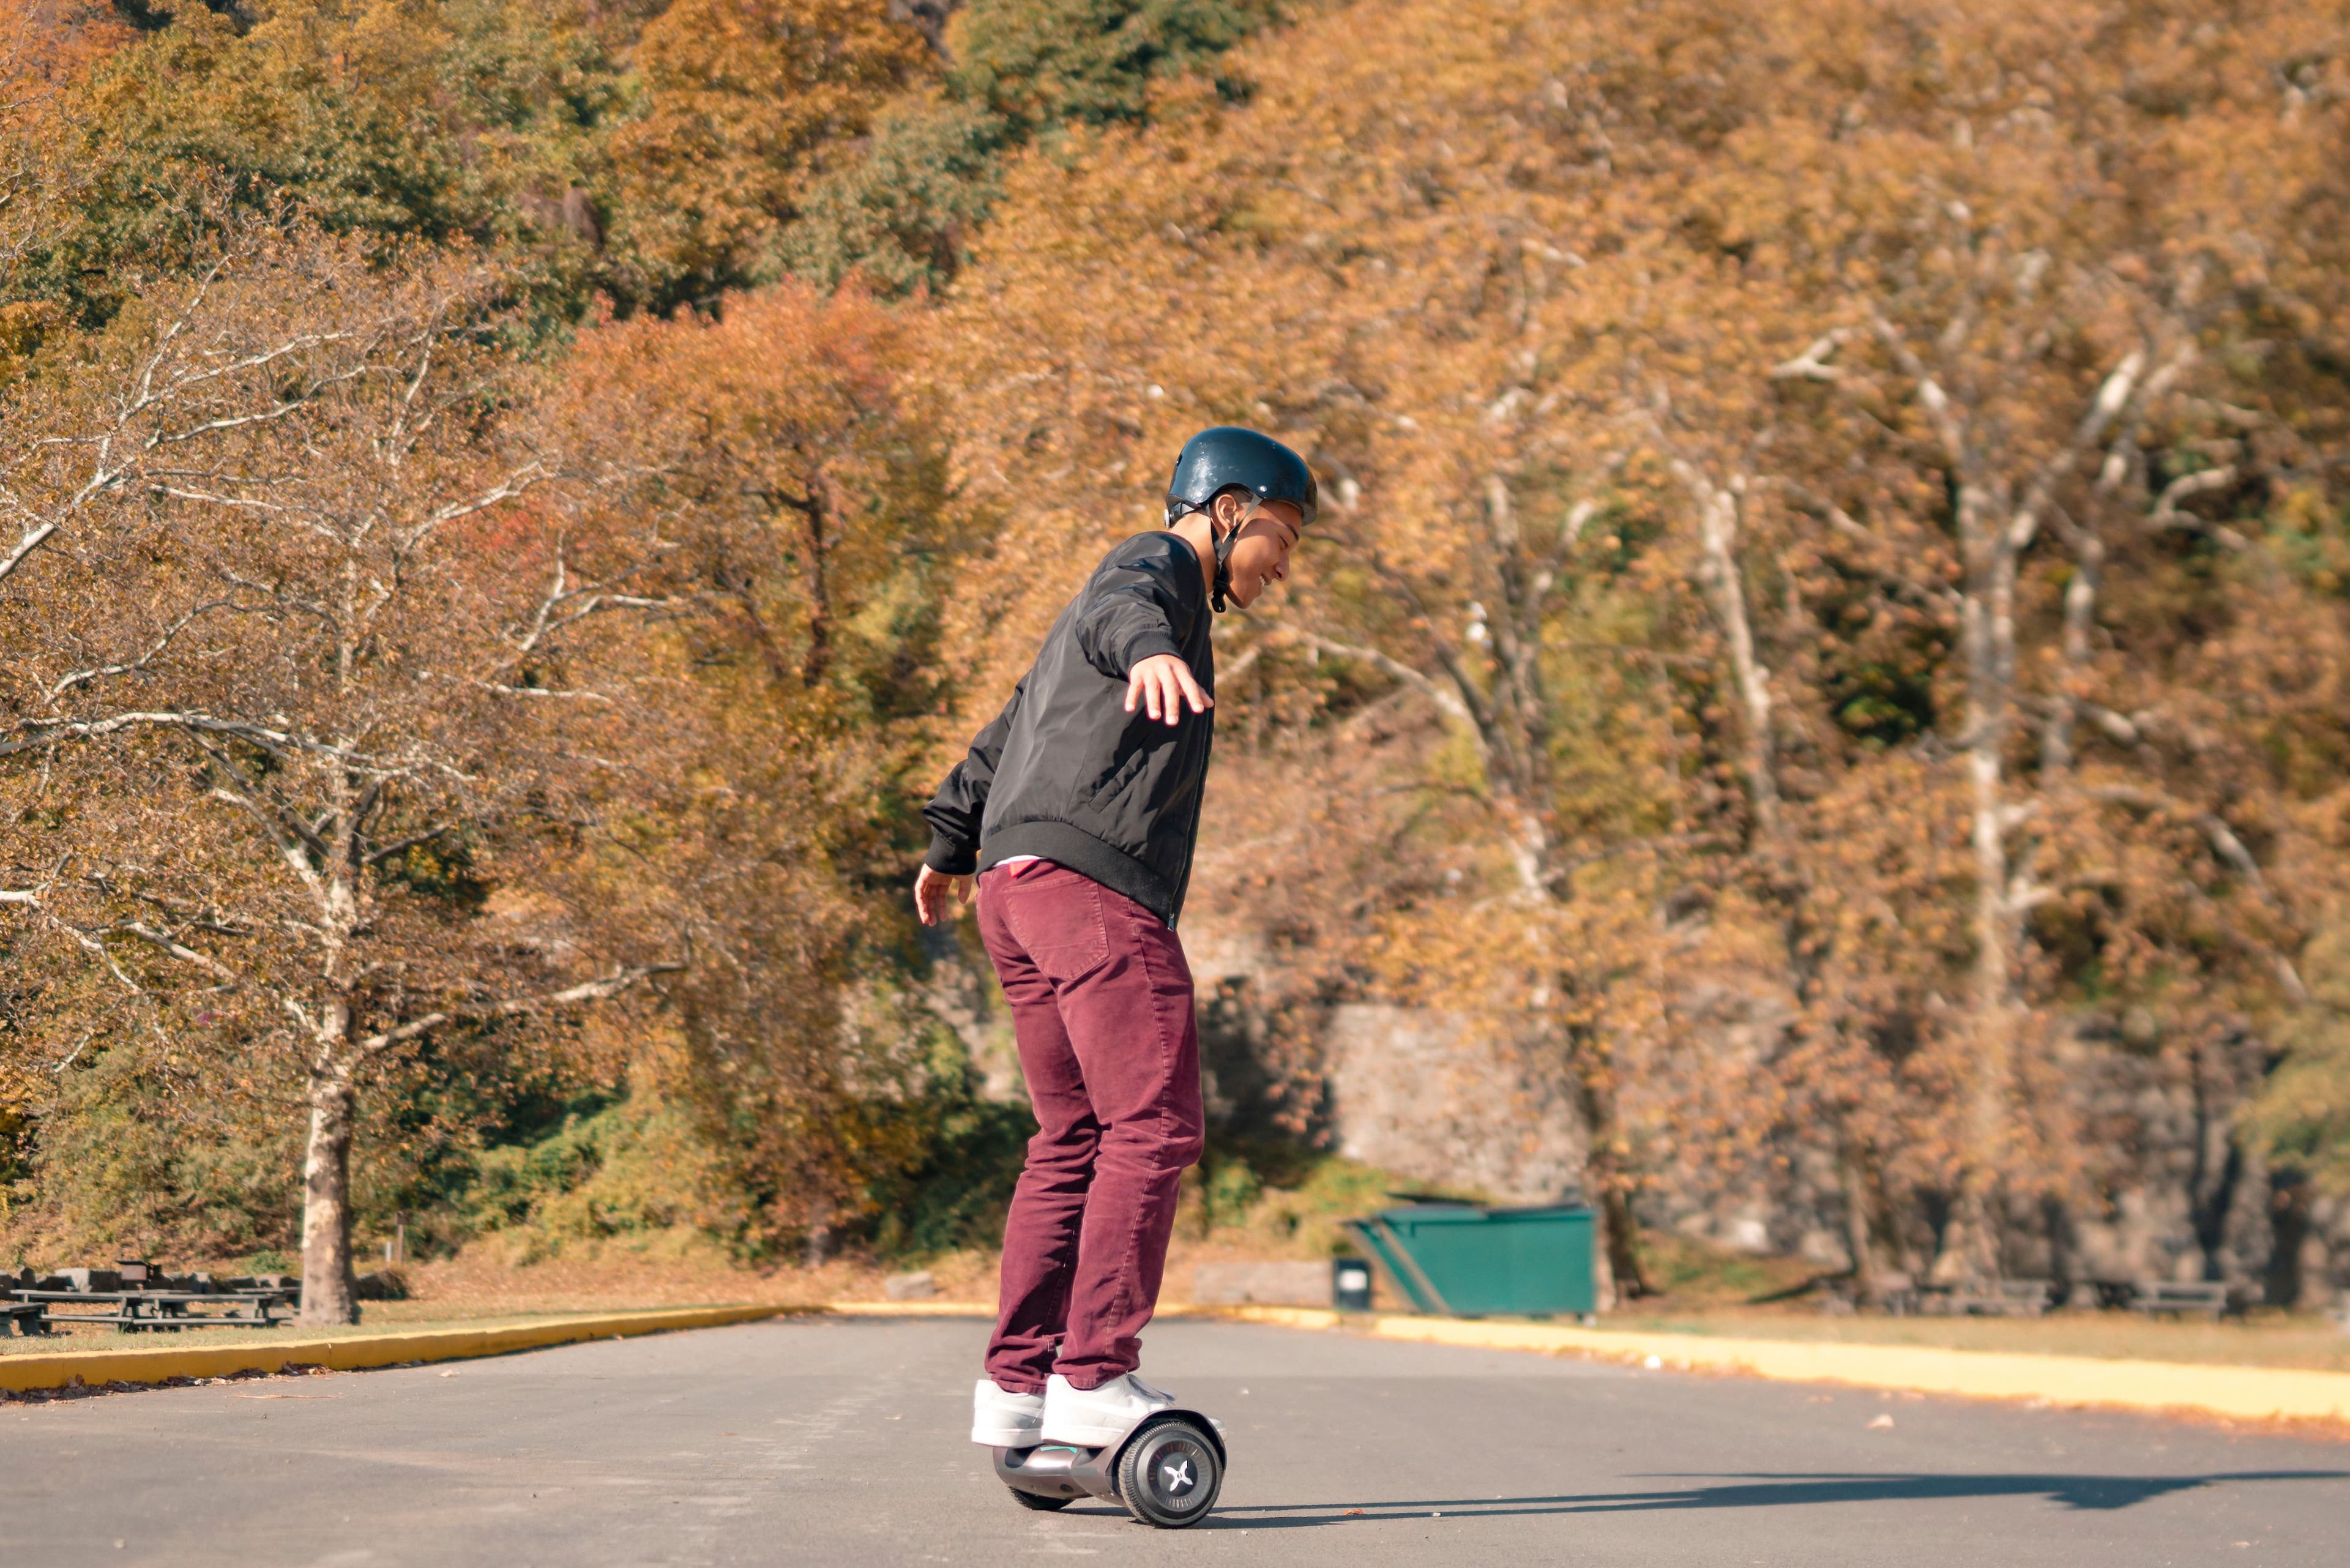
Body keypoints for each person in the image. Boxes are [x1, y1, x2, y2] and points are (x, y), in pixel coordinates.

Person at [915, 427, 1315, 1450]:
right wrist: (1150, 649)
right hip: (1091, 887)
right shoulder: (1160, 568)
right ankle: (1094, 1374)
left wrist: (949, 840)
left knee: (1073, 1137)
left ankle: (1018, 1384)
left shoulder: (1116, 614)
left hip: (1014, 884)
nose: (1285, 567)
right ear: (1228, 510)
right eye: (1283, 538)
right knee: (1154, 1126)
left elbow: (1011, 723)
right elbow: (1117, 608)